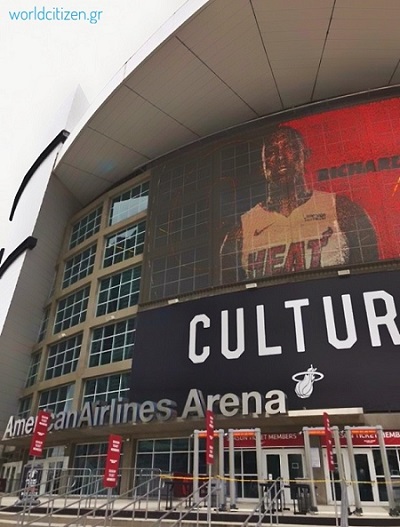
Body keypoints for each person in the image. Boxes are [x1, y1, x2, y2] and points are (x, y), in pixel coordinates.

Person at [220, 126, 378, 282]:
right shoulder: (241, 230)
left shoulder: (342, 209)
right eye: (271, 152)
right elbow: (230, 297)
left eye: (289, 147)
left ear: (305, 155)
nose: (280, 157)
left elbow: (370, 279)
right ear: (263, 166)